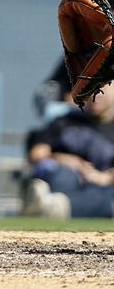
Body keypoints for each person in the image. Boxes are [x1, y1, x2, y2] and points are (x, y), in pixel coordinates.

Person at [25, 86, 114, 218]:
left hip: (105, 189)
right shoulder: (63, 122)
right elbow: (37, 154)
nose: (96, 94)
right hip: (66, 181)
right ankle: (51, 206)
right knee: (61, 175)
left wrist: (104, 178)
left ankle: (50, 208)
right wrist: (74, 163)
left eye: (102, 88)